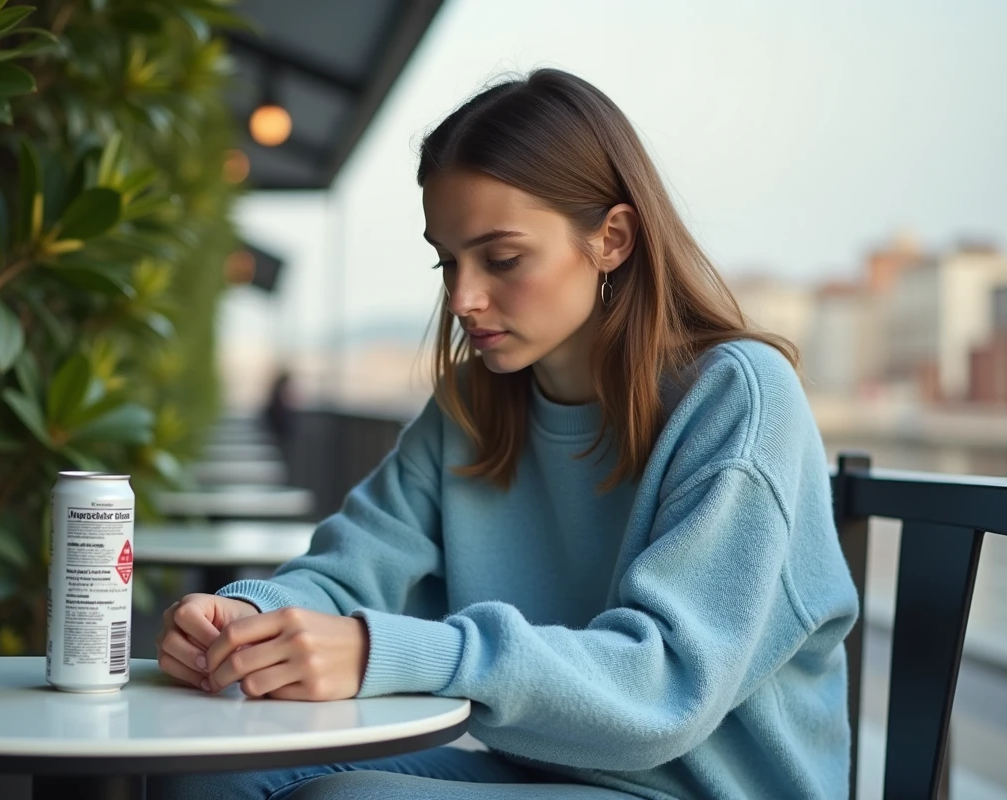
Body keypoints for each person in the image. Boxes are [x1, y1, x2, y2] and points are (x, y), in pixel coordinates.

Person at [151, 68, 859, 800]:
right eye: (448, 260)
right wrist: (246, 618)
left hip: (703, 792)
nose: (463, 297)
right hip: (543, 771)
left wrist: (381, 651)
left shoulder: (735, 396)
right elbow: (349, 570)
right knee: (210, 773)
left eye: (503, 258)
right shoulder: (471, 406)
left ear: (611, 238)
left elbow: (664, 692)